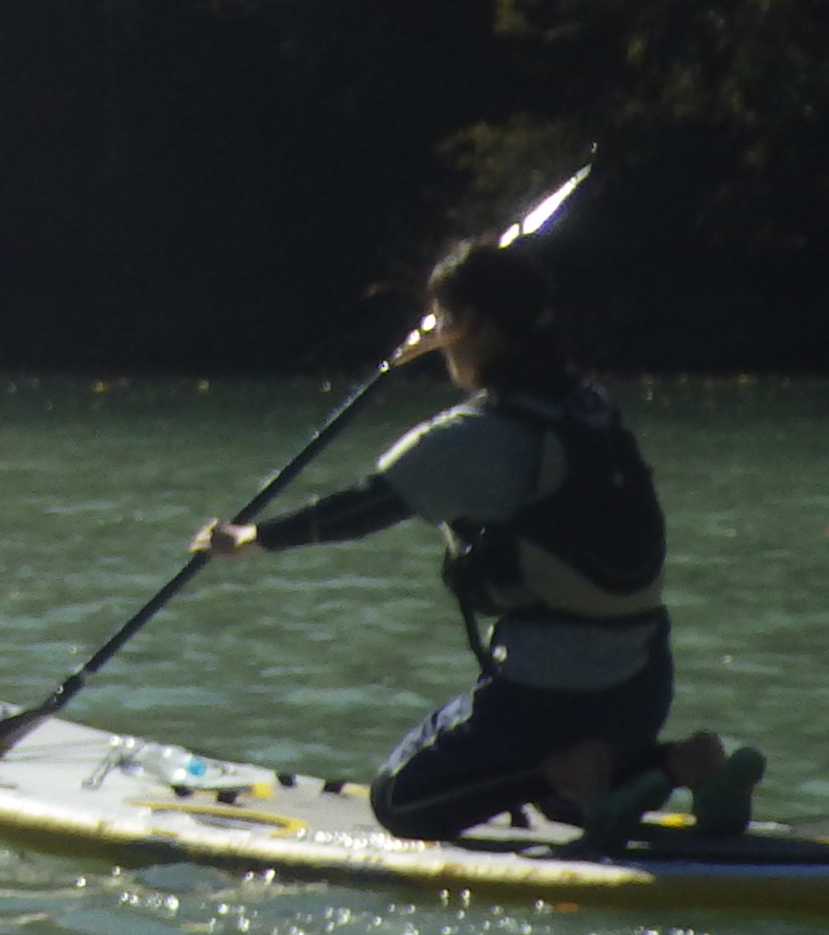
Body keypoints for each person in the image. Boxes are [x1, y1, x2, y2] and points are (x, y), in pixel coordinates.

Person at [197, 238, 765, 845]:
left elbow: (361, 509)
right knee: (566, 807)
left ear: (467, 323)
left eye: (443, 320)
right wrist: (452, 335)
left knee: (400, 804)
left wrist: (248, 538)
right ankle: (681, 762)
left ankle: (569, 765)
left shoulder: (469, 437)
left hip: (548, 689)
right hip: (643, 684)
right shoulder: (592, 408)